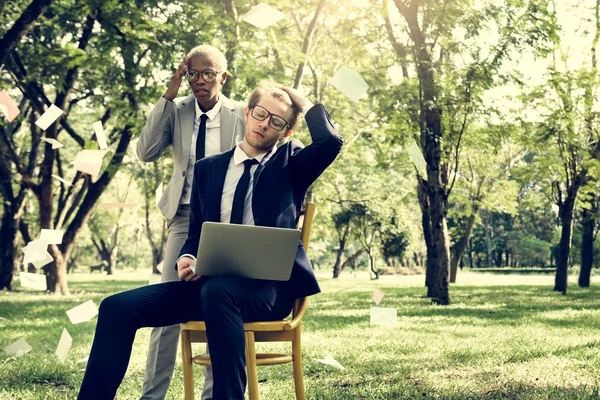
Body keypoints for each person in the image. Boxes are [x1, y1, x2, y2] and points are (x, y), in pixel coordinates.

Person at [78, 83, 343, 400]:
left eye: (276, 121)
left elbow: (331, 141)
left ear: (286, 132)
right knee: (116, 308)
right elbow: (195, 236)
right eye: (260, 114)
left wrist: (297, 99)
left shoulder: (292, 165)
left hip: (268, 292)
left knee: (219, 292)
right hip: (209, 286)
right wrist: (187, 258)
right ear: (248, 112)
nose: (264, 123)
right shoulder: (208, 169)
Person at [136, 44, 245, 400]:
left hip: (229, 224)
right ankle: (152, 396)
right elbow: (146, 151)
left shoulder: (241, 114)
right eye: (193, 73)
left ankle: (214, 395)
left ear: (222, 77)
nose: (199, 80)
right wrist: (168, 95)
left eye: (208, 73)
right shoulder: (178, 110)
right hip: (183, 218)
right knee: (165, 308)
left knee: (219, 304)